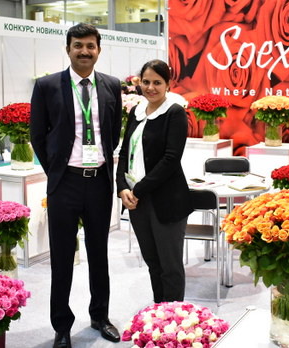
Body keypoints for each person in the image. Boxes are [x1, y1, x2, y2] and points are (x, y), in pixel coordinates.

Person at [30, 23, 122, 348]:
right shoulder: (47, 86)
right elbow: (37, 135)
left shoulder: (112, 85)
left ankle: (100, 316)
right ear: (68, 49)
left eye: (90, 46)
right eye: (78, 45)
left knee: (99, 254)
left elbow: (113, 132)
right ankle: (62, 326)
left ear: (99, 50)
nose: (84, 51)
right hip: (65, 184)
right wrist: (56, 171)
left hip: (98, 183)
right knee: (62, 257)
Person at [116, 59, 193, 302]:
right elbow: (124, 152)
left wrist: (138, 189)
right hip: (136, 201)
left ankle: (174, 317)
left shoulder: (174, 112)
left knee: (170, 266)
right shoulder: (136, 112)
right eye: (146, 82)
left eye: (157, 82)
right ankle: (159, 311)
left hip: (166, 200)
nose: (151, 88)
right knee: (152, 261)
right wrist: (121, 188)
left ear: (168, 84)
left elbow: (171, 159)